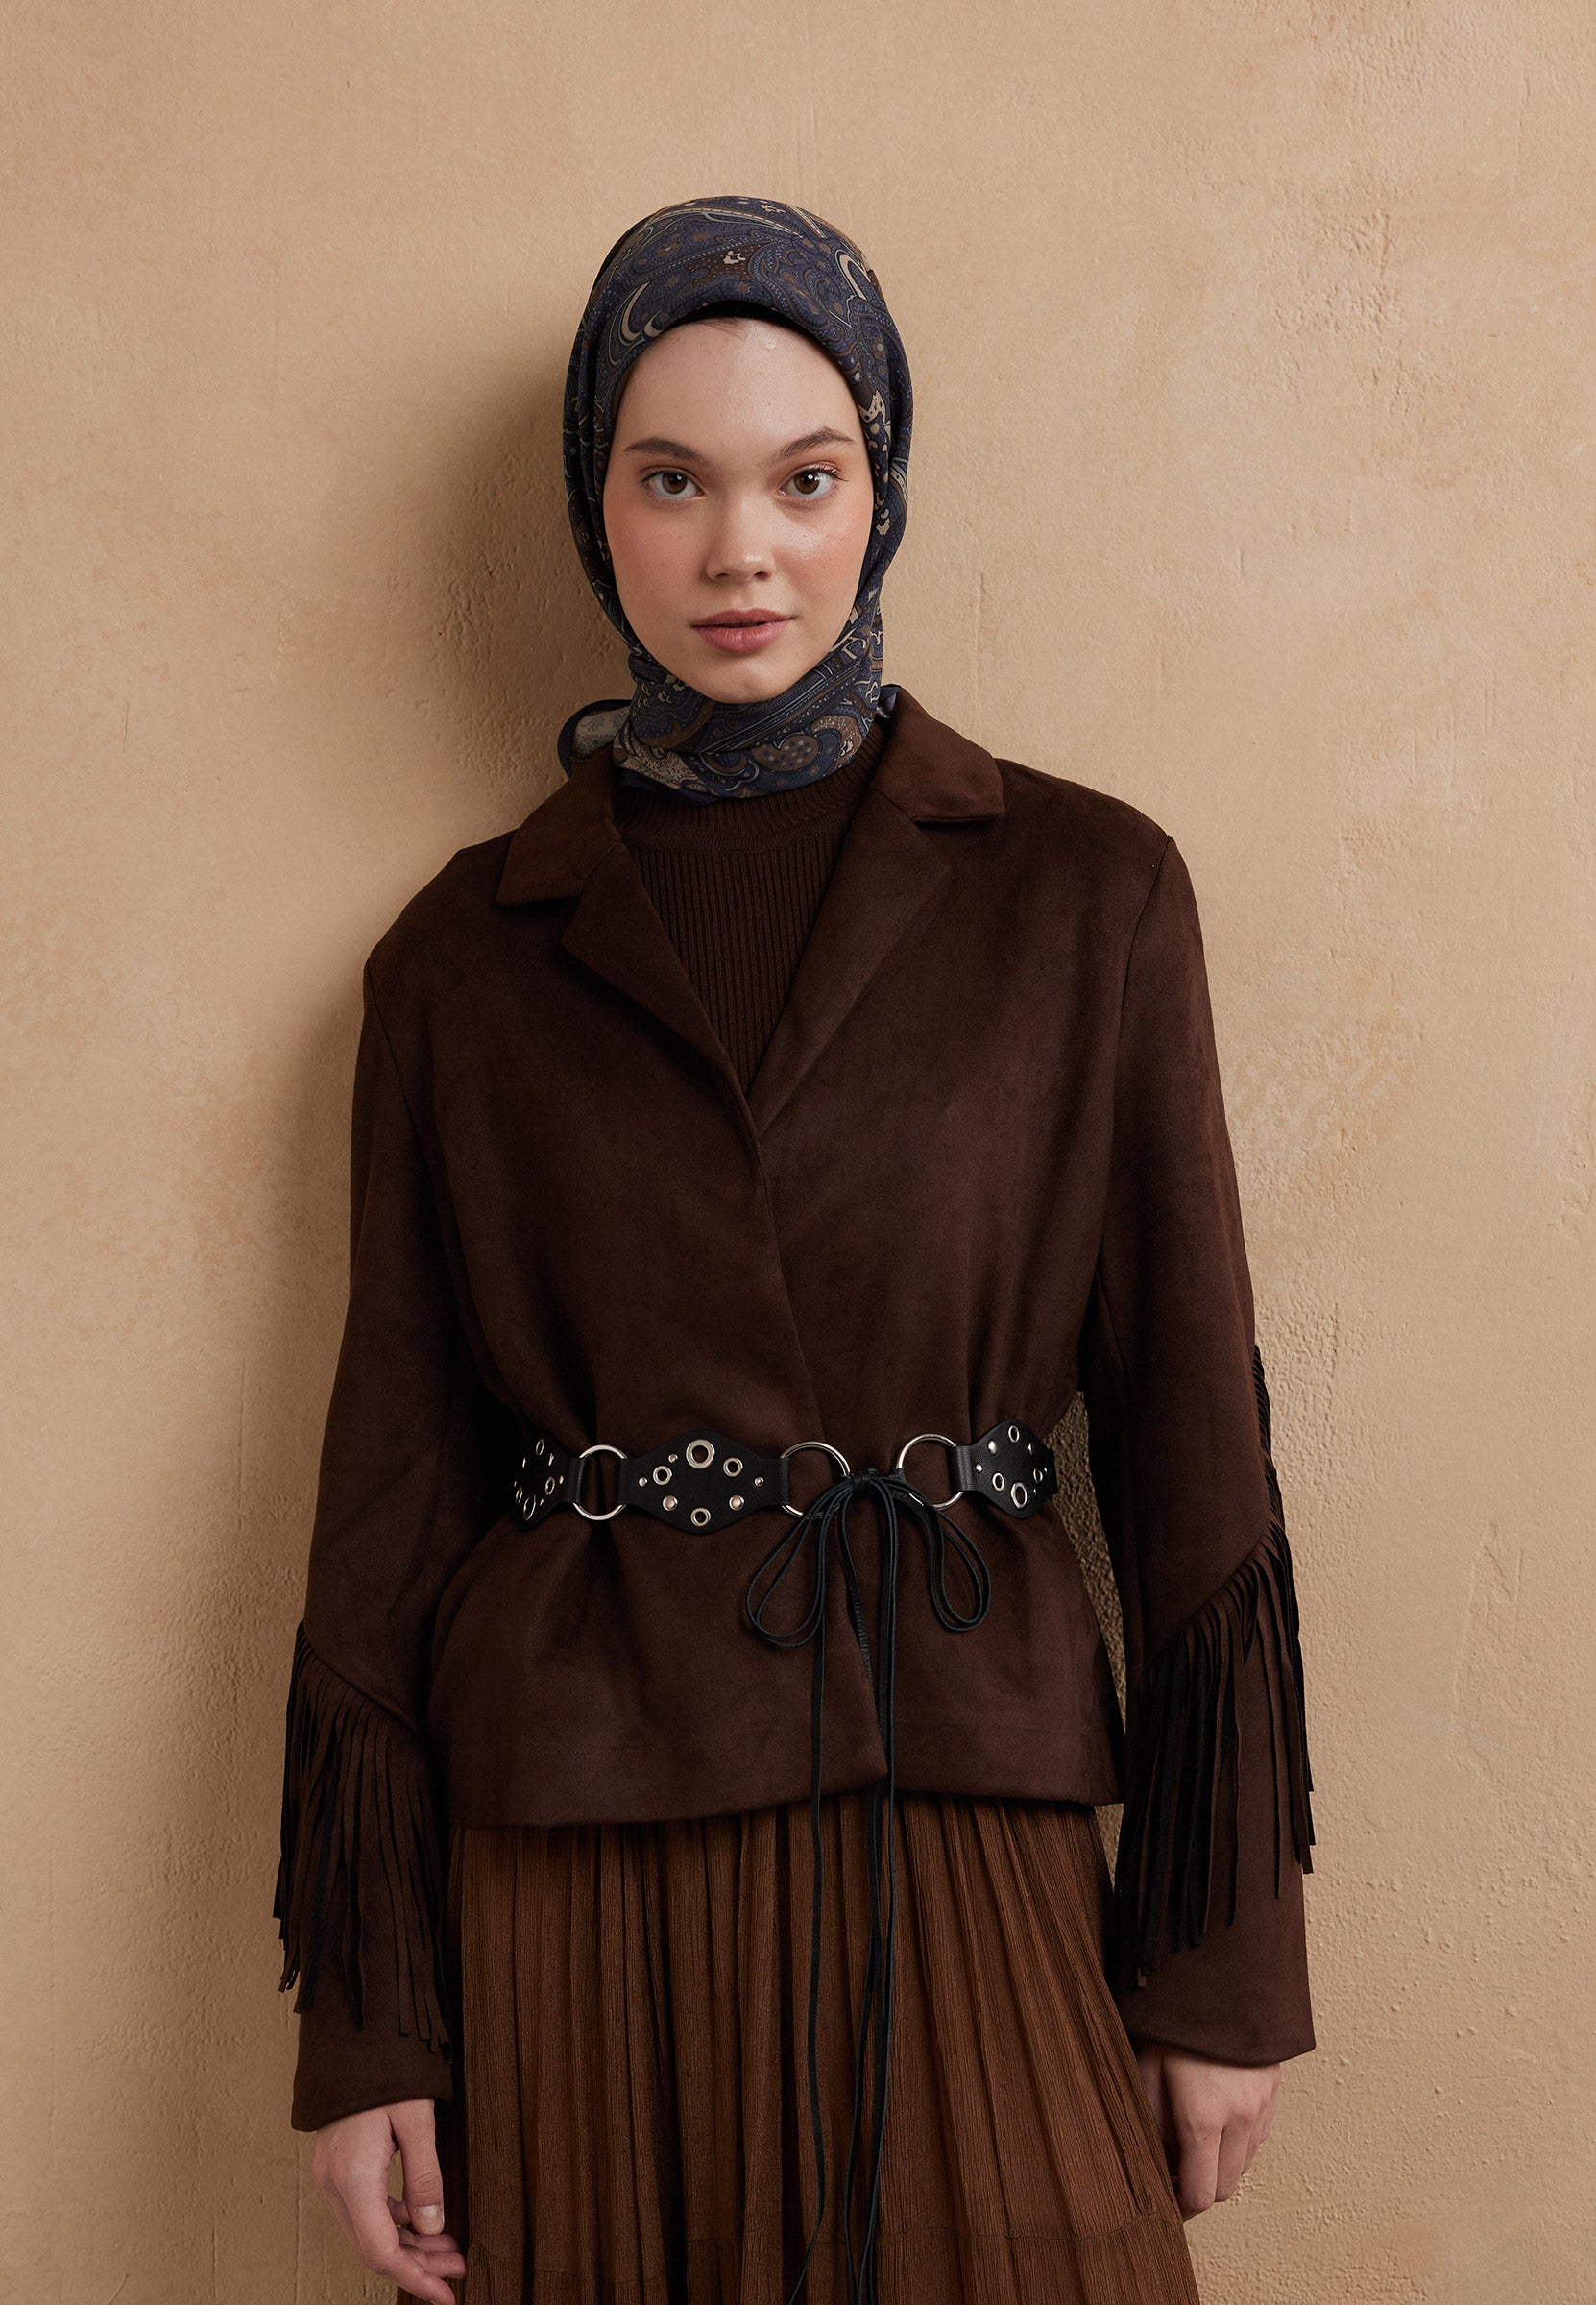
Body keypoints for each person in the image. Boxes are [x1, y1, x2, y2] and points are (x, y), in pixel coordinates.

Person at [273, 196, 1316, 2305]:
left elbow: (1191, 1432)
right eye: (672, 481)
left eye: (802, 478)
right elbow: (395, 1473)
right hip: (570, 1839)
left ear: (880, 490)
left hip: (966, 1783)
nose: (739, 550)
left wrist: (1221, 1963)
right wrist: (369, 2026)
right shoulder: (460, 960)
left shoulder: (1085, 894)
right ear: (599, 511)